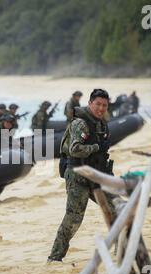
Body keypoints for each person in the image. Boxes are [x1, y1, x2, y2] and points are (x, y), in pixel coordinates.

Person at [48, 89, 116, 262]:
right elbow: (75, 149)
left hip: (96, 174)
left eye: (104, 105)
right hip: (78, 175)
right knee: (74, 218)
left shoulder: (101, 124)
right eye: (98, 104)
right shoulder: (81, 123)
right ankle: (55, 257)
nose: (101, 108)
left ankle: (122, 249)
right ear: (90, 104)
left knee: (116, 209)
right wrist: (95, 147)